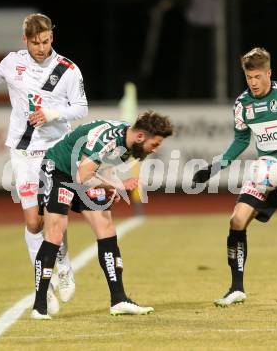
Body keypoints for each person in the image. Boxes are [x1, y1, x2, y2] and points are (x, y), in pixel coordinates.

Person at [192, 47, 277, 309]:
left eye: (257, 76)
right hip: (265, 172)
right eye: (248, 77)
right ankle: (237, 288)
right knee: (237, 220)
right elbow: (241, 140)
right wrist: (213, 169)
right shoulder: (243, 104)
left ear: (269, 73)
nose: (253, 82)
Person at [0, 13, 88, 314]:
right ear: (25, 40)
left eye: (47, 41)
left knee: (54, 216)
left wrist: (52, 114)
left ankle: (62, 266)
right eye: (36, 42)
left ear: (52, 37)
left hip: (57, 150)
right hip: (23, 151)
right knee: (33, 223)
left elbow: (80, 108)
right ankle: (44, 284)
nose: (42, 47)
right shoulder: (13, 62)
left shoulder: (67, 70)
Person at [31, 110, 173, 319]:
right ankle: (39, 306)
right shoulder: (108, 139)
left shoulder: (128, 143)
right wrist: (118, 185)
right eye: (155, 144)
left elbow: (104, 166)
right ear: (141, 136)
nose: (155, 150)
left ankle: (119, 299)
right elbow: (82, 175)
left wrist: (110, 187)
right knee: (55, 232)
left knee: (106, 227)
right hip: (58, 169)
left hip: (84, 173)